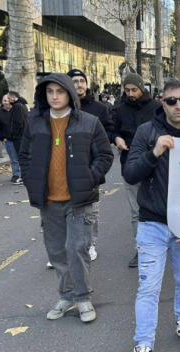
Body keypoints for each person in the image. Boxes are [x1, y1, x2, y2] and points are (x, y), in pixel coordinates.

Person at [18, 73, 114, 324]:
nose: (54, 96)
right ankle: (66, 295)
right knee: (57, 252)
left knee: (77, 249)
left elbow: (104, 155)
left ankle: (82, 297)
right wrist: (30, 180)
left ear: (70, 93)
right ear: (44, 95)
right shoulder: (35, 123)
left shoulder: (89, 122)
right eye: (49, 92)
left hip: (79, 200)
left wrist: (89, 178)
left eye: (60, 91)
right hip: (48, 200)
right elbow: (25, 156)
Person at [124, 78, 180, 352]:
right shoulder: (146, 132)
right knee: (148, 287)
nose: (178, 106)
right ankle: (144, 341)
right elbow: (130, 173)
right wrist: (154, 152)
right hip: (153, 223)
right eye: (171, 101)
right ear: (163, 102)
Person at [111, 73, 162, 267]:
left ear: (142, 88)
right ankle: (141, 249)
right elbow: (114, 130)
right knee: (136, 212)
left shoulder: (156, 108)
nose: (130, 93)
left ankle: (162, 245)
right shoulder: (120, 109)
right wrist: (116, 138)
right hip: (130, 165)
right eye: (127, 90)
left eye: (134, 89)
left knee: (159, 208)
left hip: (155, 167)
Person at [68, 69, 116, 261]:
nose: (79, 84)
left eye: (82, 81)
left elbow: (109, 132)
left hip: (89, 168)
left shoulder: (99, 108)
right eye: (74, 81)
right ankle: (68, 247)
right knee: (64, 210)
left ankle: (89, 244)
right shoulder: (58, 108)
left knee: (90, 211)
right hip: (64, 170)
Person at [0, 94, 23, 185]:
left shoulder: (17, 111)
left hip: (19, 138)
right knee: (13, 158)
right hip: (9, 140)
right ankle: (16, 174)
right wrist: (2, 138)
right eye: (4, 101)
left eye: (8, 100)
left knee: (22, 157)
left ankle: (24, 175)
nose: (6, 102)